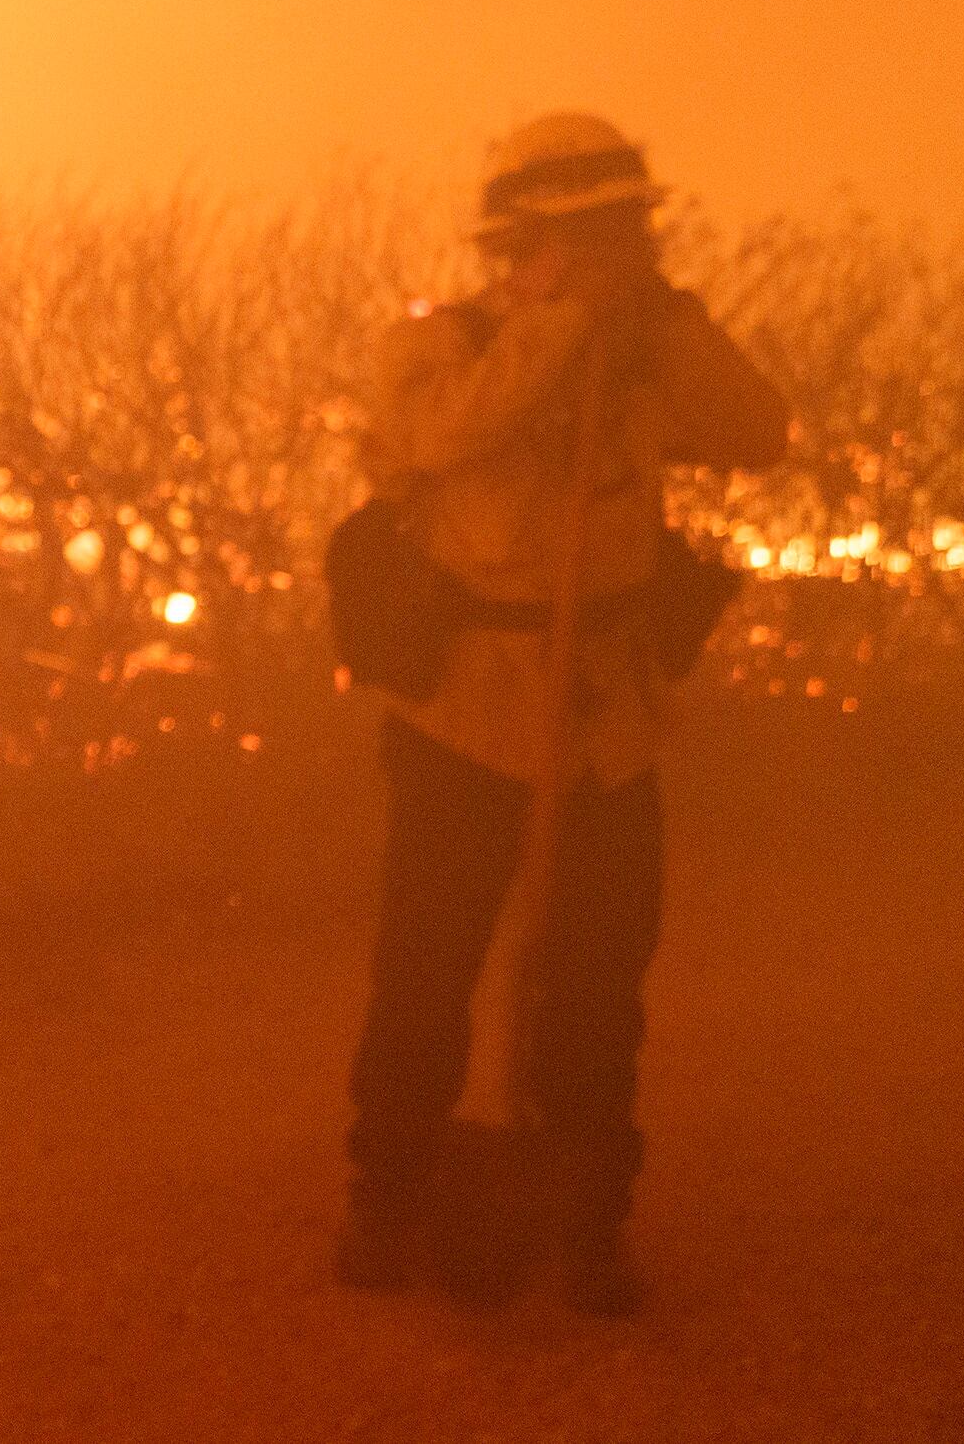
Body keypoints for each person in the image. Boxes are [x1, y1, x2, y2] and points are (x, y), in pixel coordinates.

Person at [335, 111, 790, 1314]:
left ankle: (588, 1221)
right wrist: (559, 326)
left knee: (598, 986)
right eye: (583, 237)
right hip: (465, 716)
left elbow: (759, 432)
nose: (609, 256)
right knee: (426, 971)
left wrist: (665, 322)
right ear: (520, 244)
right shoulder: (438, 347)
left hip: (607, 724)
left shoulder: (647, 353)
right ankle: (389, 1193)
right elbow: (443, 433)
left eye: (623, 233)